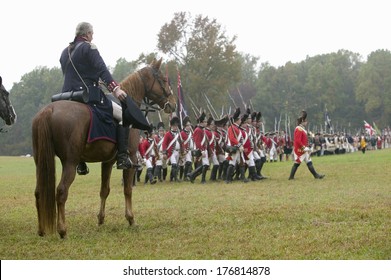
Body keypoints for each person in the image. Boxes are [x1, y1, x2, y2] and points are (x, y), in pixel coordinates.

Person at [60, 22, 137, 174]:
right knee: (123, 115)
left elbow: (73, 73)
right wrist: (115, 88)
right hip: (88, 95)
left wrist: (92, 78)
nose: (92, 36)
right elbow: (102, 69)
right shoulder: (90, 47)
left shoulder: (65, 51)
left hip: (67, 96)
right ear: (87, 34)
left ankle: (80, 161)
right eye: (92, 34)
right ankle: (122, 156)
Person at [289, 110, 325, 180]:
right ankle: (291, 177)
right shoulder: (298, 129)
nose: (307, 122)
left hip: (304, 149)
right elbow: (298, 140)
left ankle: (316, 175)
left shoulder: (302, 129)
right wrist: (303, 147)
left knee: (309, 162)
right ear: (302, 121)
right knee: (297, 163)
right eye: (305, 121)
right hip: (300, 149)